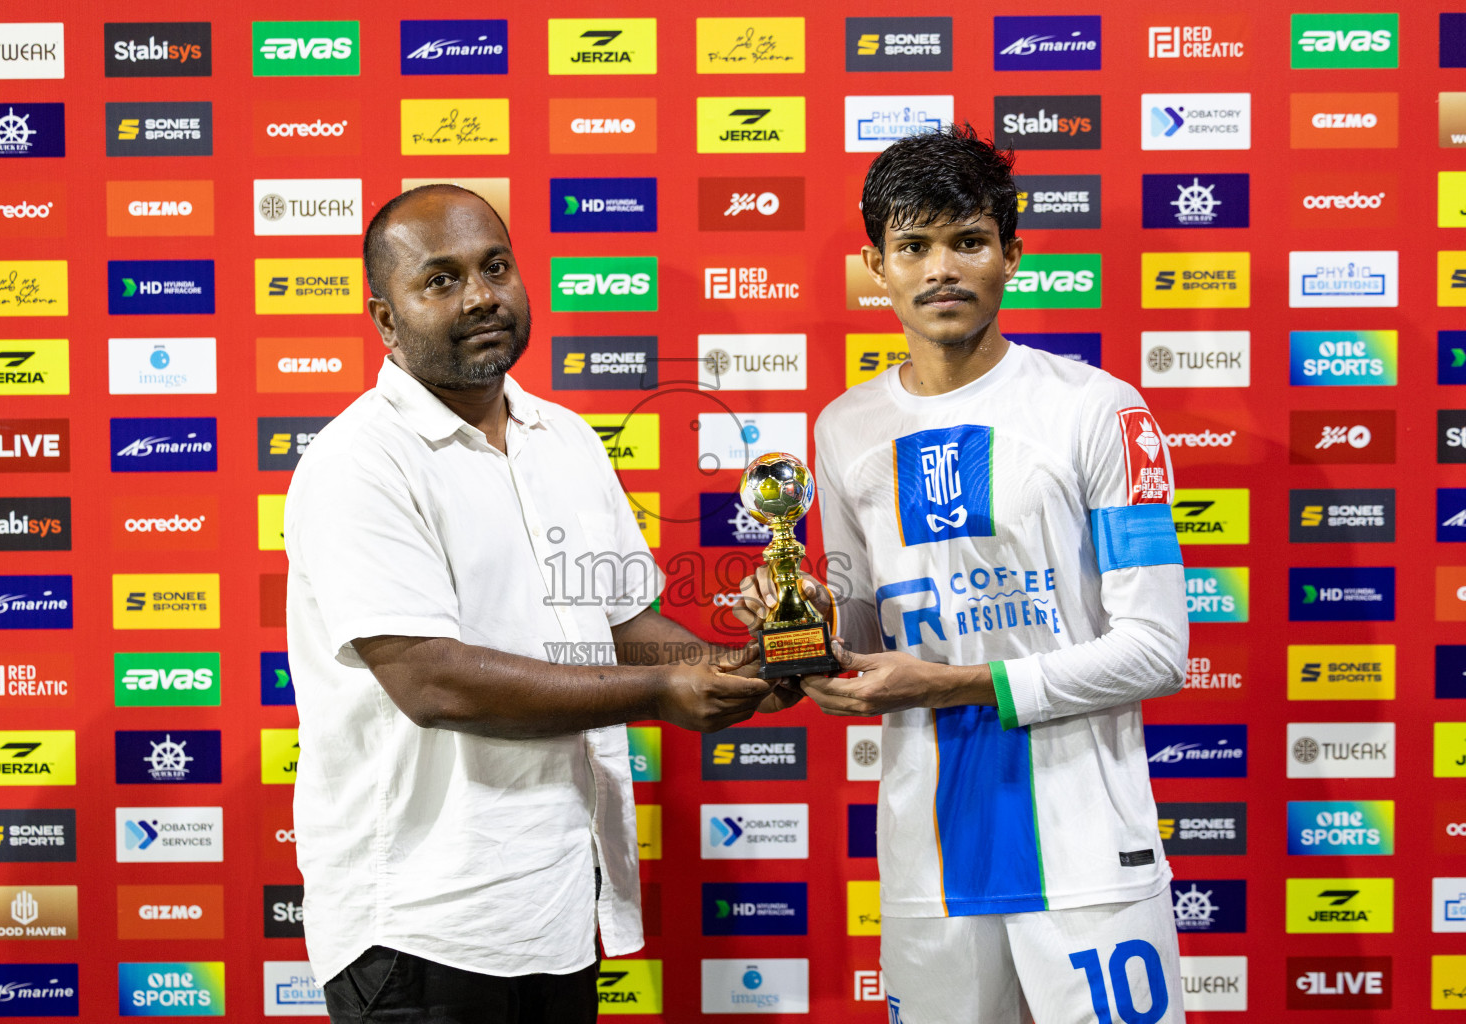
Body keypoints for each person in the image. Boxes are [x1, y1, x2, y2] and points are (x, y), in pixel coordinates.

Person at [284, 184, 783, 1024]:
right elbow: (432, 681)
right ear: (384, 318)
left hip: (554, 910)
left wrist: (739, 664)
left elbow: (627, 629)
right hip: (419, 932)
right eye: (439, 280)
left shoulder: (566, 437)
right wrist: (666, 694)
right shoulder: (356, 463)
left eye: (496, 267)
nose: (480, 295)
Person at [733, 125, 1190, 1023]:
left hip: (1089, 853)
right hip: (927, 859)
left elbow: (1157, 650)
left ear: (1011, 254)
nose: (940, 268)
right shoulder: (845, 428)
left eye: (967, 240)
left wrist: (951, 683)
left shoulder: (1098, 410)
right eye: (913, 245)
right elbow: (861, 625)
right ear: (878, 266)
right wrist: (806, 618)